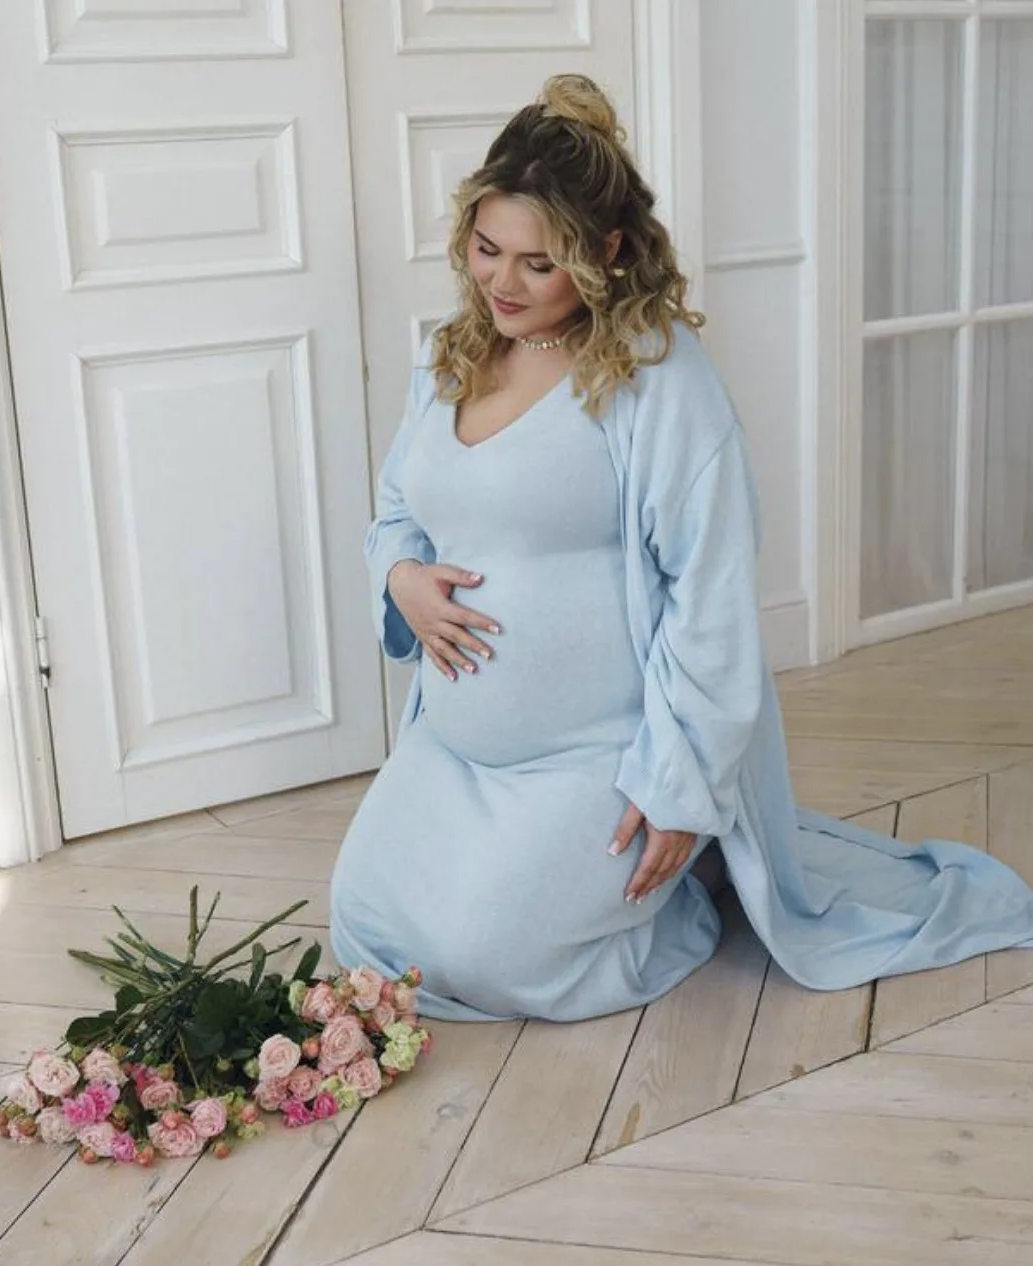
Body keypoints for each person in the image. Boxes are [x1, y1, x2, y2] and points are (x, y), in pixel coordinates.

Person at [329, 75, 1033, 1023]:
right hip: (452, 749)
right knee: (367, 928)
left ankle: (692, 888)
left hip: (601, 758)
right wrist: (402, 578)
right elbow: (396, 511)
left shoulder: (653, 376)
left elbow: (711, 592)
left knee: (484, 957)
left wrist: (677, 790)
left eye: (538, 264)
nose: (502, 283)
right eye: (487, 249)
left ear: (605, 251)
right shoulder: (450, 353)